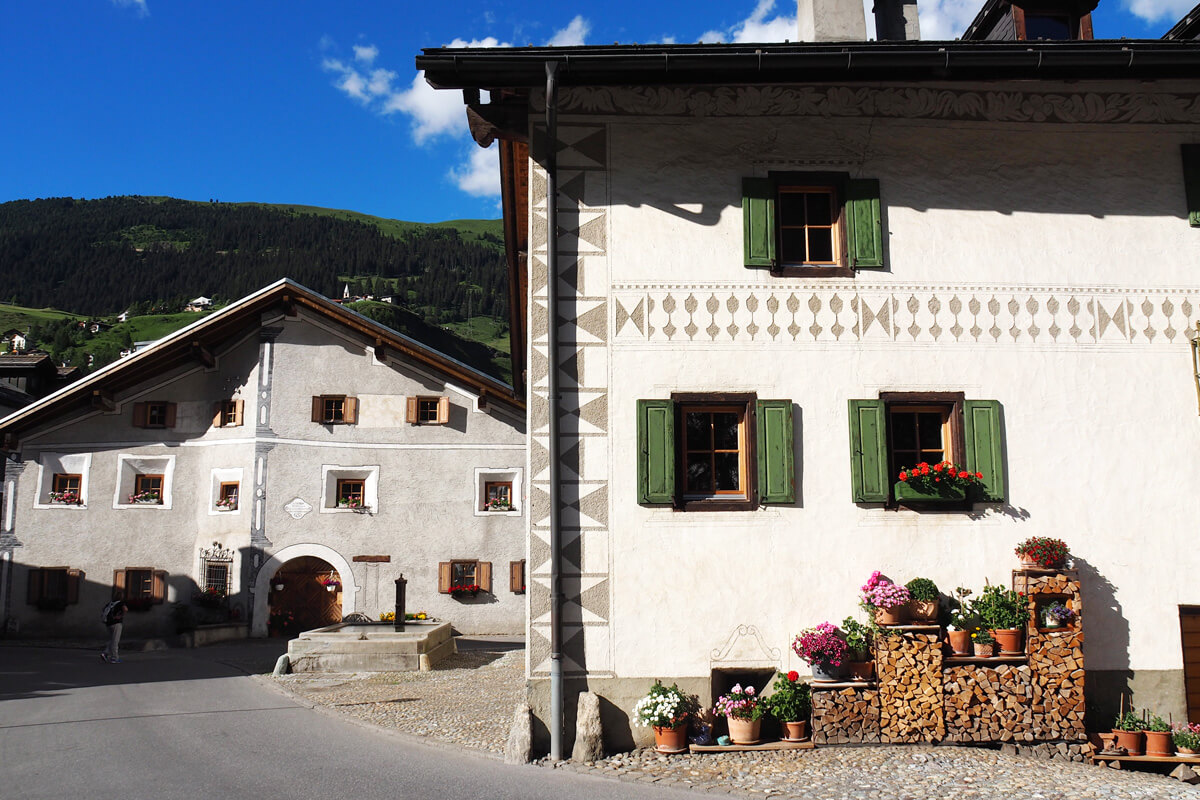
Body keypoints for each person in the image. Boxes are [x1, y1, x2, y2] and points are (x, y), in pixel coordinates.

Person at [100, 592, 127, 663]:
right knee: (115, 641)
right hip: (116, 623)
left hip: (108, 624)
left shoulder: (110, 604)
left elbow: (103, 610)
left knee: (112, 639)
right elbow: (125, 609)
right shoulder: (120, 603)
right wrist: (121, 616)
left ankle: (105, 653)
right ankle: (114, 658)